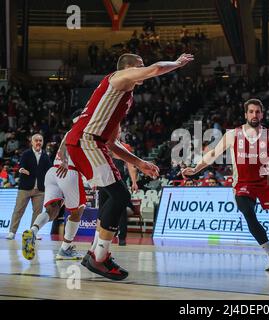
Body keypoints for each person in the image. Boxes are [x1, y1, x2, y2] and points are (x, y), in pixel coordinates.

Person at [65, 52, 194, 281]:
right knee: (118, 196)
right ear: (128, 68)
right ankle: (98, 257)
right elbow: (155, 69)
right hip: (86, 140)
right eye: (139, 65)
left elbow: (113, 143)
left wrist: (140, 163)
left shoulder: (124, 97)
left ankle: (97, 252)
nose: (143, 68)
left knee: (113, 197)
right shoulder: (118, 78)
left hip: (92, 143)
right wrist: (177, 63)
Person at [183, 98, 269, 272]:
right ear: (246, 114)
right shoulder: (232, 135)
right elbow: (214, 153)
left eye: (257, 112)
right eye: (251, 111)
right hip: (243, 184)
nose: (254, 115)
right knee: (248, 214)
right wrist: (196, 168)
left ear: (262, 114)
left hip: (266, 181)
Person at [21, 111, 87, 260]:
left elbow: (64, 145)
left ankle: (33, 231)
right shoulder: (84, 130)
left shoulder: (69, 132)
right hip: (68, 172)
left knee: (52, 210)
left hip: (53, 172)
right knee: (78, 210)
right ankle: (65, 249)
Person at [6, 134, 52, 240]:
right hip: (25, 188)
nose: (38, 142)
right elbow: (21, 165)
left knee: (38, 212)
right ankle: (12, 232)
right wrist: (22, 169)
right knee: (18, 210)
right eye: (36, 140)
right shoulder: (26, 154)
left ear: (43, 142)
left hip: (40, 189)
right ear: (32, 142)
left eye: (40, 140)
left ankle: (33, 232)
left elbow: (50, 170)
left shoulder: (45, 156)